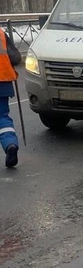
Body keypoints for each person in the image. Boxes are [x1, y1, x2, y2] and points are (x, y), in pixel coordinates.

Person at [0, 28, 21, 168]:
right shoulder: (1, 33)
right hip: (3, 82)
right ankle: (10, 144)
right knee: (2, 117)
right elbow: (16, 58)